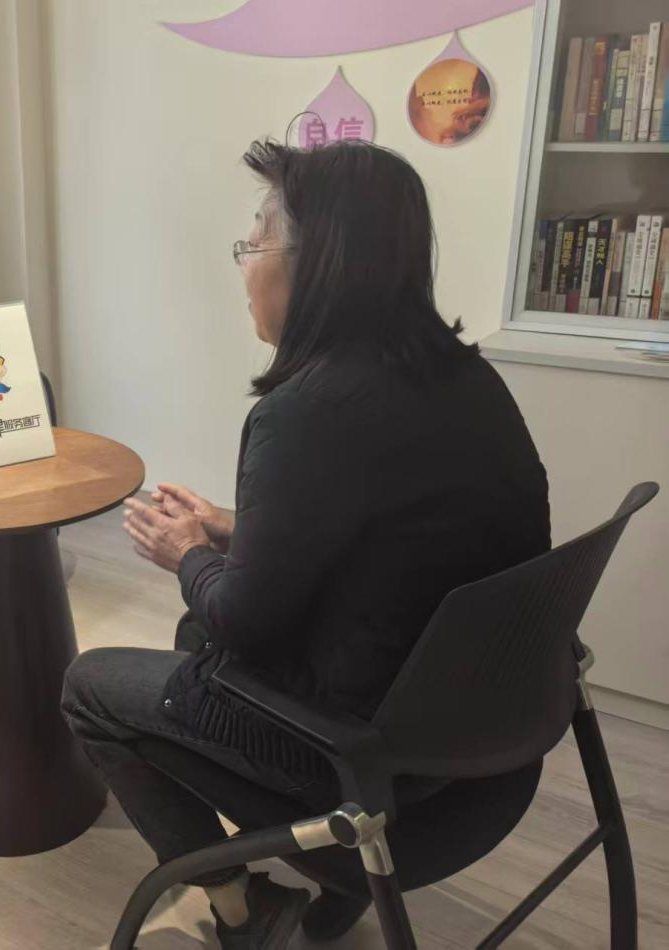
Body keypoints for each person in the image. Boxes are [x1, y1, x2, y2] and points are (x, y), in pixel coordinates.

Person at [62, 140, 550, 949]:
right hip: (487, 730)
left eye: (254, 240)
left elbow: (243, 621)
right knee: (191, 634)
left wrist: (186, 552)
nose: (244, 266)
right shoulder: (462, 377)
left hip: (365, 760)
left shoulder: (306, 412)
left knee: (89, 685)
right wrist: (233, 527)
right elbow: (389, 535)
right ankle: (326, 880)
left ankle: (238, 906)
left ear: (317, 262)